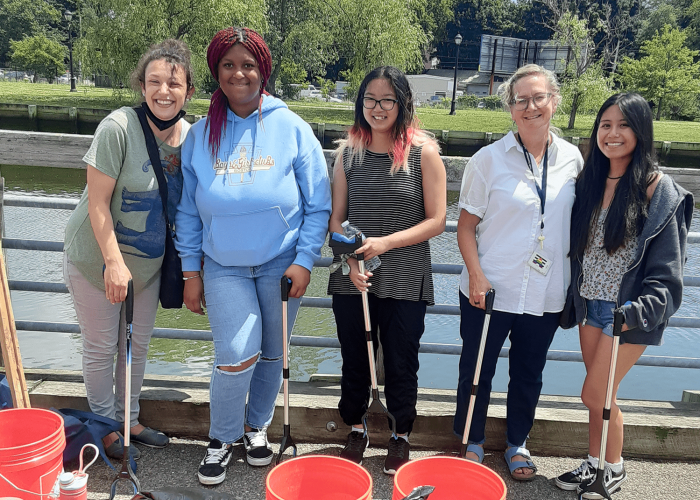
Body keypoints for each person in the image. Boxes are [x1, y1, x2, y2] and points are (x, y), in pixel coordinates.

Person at [175, 27, 331, 485]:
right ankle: (221, 437)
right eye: (228, 65)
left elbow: (318, 203)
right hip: (222, 263)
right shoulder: (200, 136)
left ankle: (255, 426)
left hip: (282, 262)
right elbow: (187, 210)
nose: (239, 73)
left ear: (263, 70)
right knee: (237, 352)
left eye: (248, 64)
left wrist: (305, 260)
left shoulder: (293, 127)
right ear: (216, 73)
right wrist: (190, 271)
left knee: (272, 352)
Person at [555, 93, 692, 497]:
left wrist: (635, 312)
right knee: (603, 396)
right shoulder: (591, 182)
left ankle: (612, 469)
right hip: (589, 307)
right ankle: (594, 462)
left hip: (627, 315)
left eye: (624, 125)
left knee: (593, 393)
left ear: (641, 131)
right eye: (605, 125)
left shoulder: (658, 190)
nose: (612, 134)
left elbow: (669, 277)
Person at [64, 39, 195, 459]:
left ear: (188, 90)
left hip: (150, 264)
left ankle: (130, 418)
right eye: (154, 81)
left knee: (137, 345)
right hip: (96, 258)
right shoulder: (118, 127)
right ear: (141, 86)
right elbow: (97, 203)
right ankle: (104, 427)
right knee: (103, 346)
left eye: (174, 83)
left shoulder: (191, 138)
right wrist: (113, 263)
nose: (163, 91)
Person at [453, 64, 583, 480]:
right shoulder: (487, 160)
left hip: (545, 292)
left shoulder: (574, 160)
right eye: (520, 100)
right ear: (510, 109)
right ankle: (471, 440)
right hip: (489, 287)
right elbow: (466, 226)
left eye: (538, 97)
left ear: (554, 101)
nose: (531, 107)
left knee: (528, 373)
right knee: (477, 369)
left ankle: (517, 444)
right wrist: (475, 274)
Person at [327, 66, 447, 475]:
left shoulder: (424, 153)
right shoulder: (348, 152)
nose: (377, 108)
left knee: (400, 360)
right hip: (353, 277)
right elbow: (336, 219)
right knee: (355, 359)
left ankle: (400, 436)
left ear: (402, 103)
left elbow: (437, 221)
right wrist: (350, 259)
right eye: (370, 100)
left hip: (405, 275)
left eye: (386, 101)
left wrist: (385, 243)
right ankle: (356, 428)